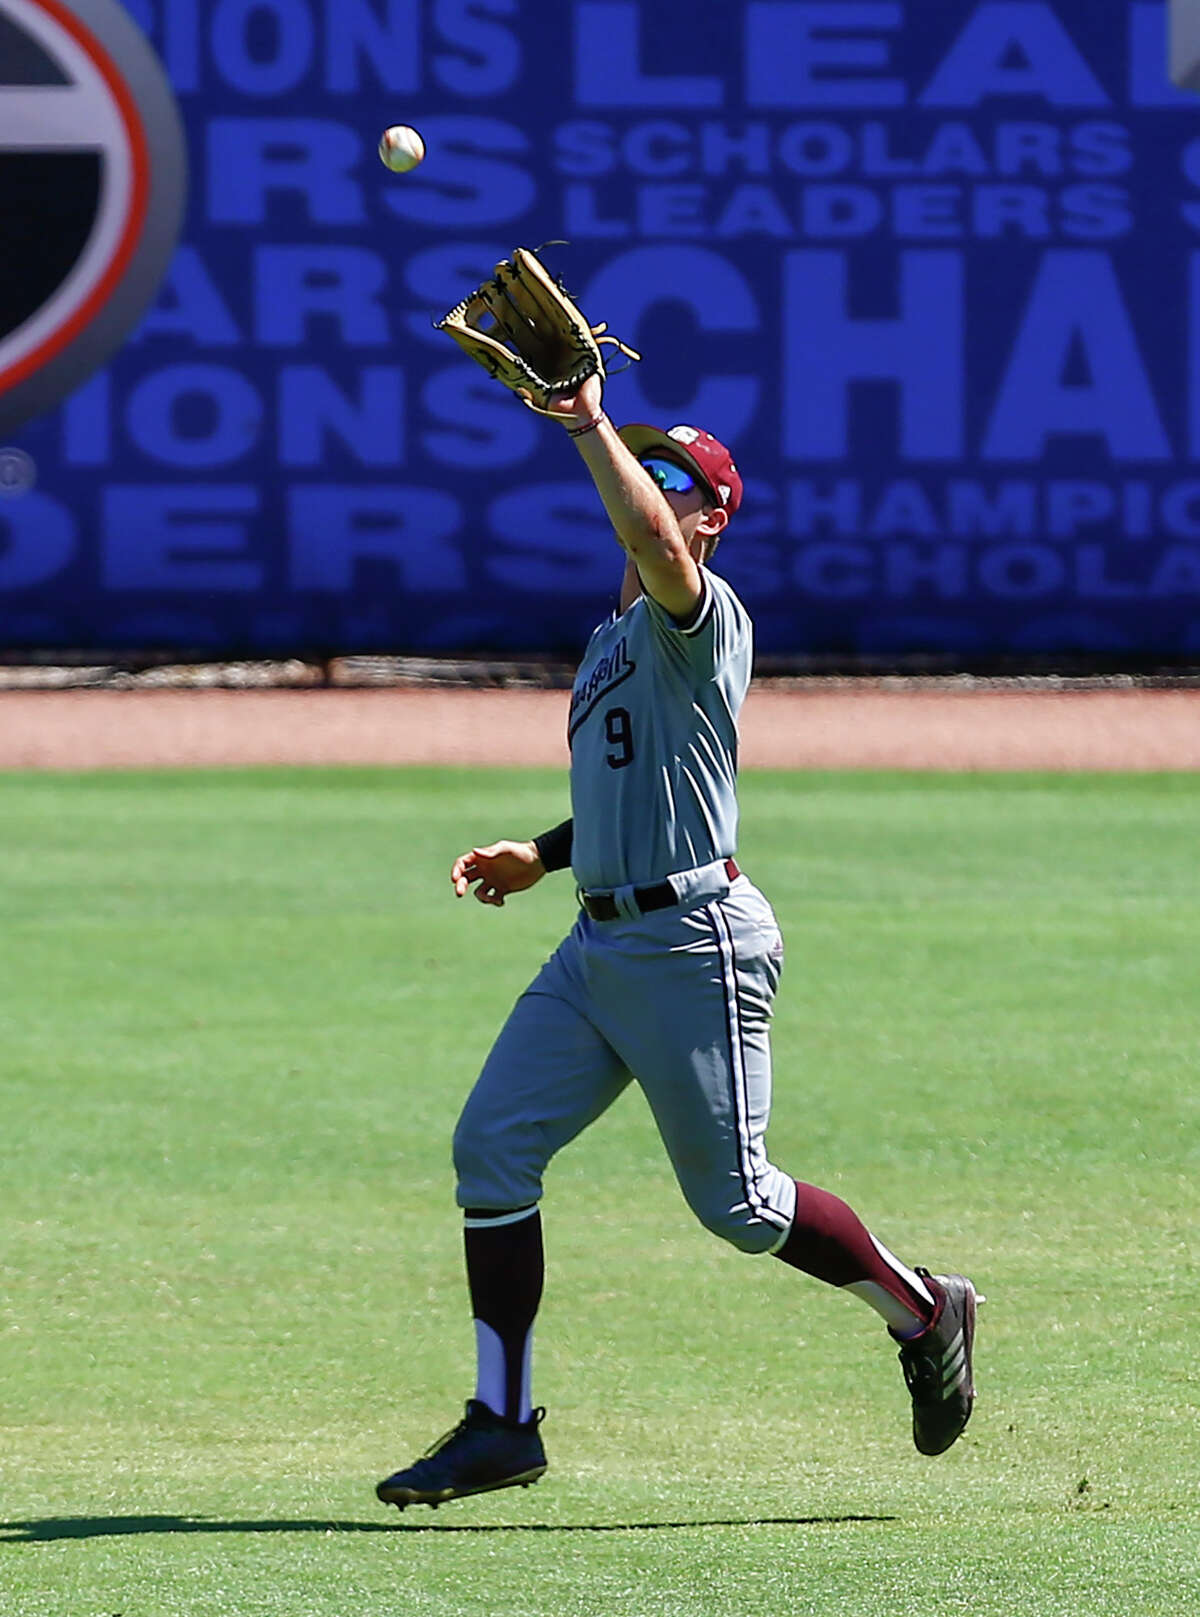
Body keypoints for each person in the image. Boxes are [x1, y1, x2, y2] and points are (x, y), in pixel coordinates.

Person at [375, 371, 979, 1511]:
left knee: (740, 1206)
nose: (655, 485)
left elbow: (651, 539)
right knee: (492, 1151)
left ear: (710, 521)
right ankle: (503, 1422)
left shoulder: (698, 616)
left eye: (677, 478)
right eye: (649, 465)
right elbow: (636, 792)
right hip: (597, 946)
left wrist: (591, 424)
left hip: (695, 942)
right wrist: (543, 853)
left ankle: (923, 1310)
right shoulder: (610, 643)